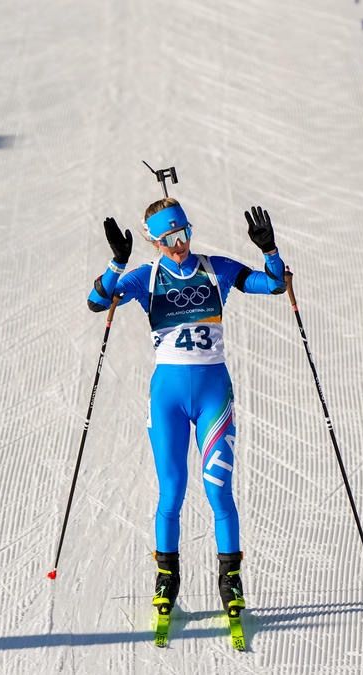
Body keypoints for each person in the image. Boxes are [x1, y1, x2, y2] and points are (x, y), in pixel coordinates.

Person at [86, 197, 287, 617]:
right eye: (168, 240)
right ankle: (167, 579)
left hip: (214, 395)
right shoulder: (147, 277)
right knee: (172, 490)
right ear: (154, 243)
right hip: (168, 400)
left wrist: (269, 250)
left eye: (182, 234)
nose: (178, 246)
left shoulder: (216, 270)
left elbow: (274, 285)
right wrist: (117, 263)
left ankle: (230, 583)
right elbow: (97, 301)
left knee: (219, 491)